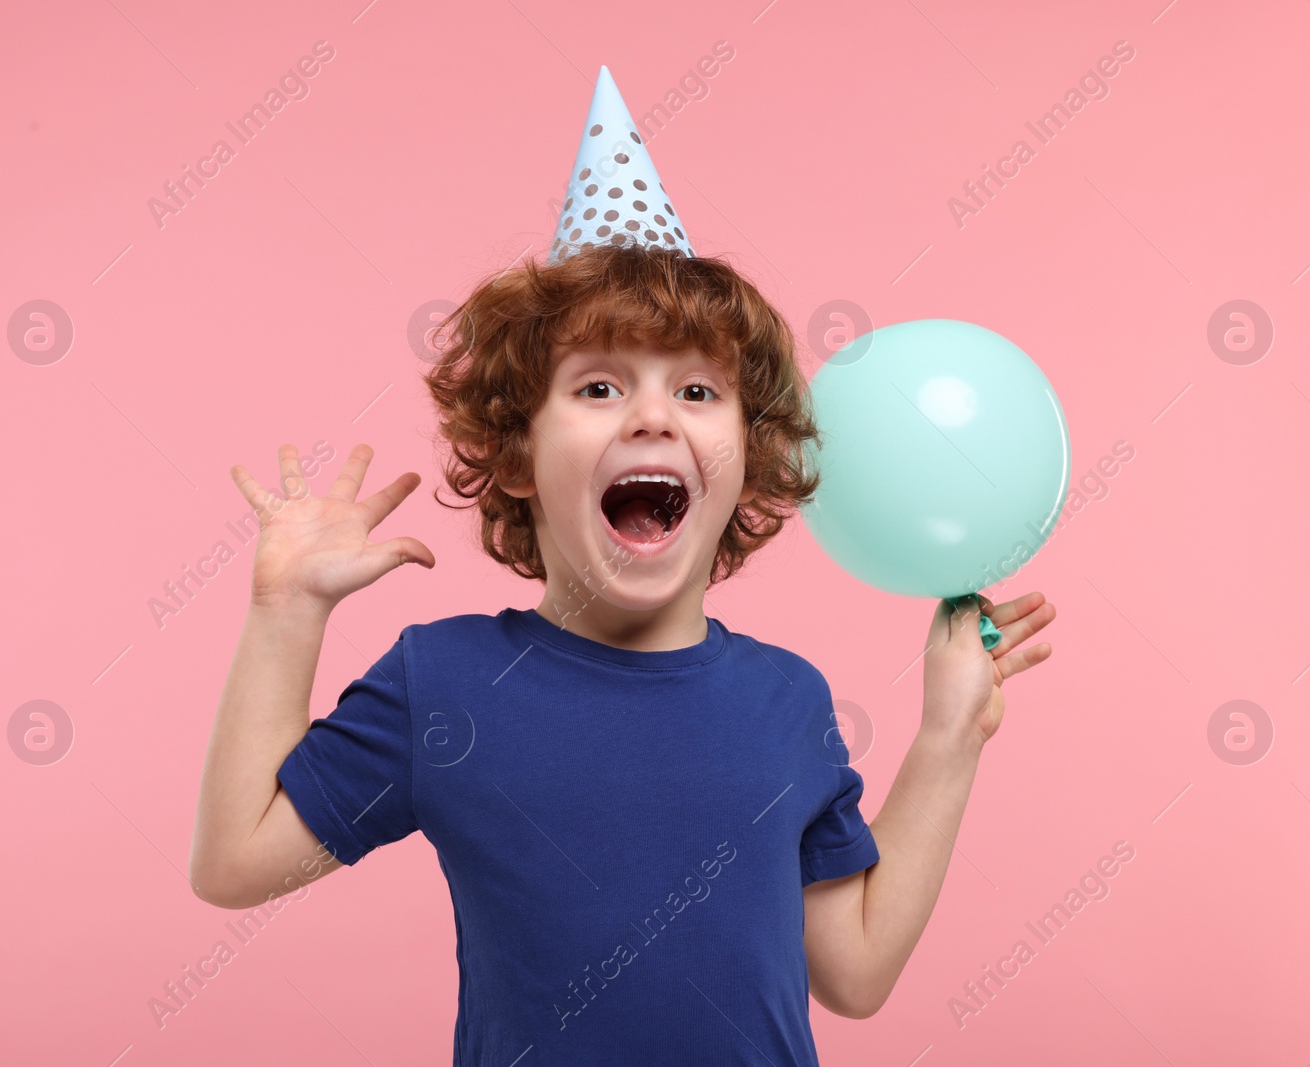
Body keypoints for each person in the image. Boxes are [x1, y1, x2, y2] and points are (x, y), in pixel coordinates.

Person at [189, 67, 1055, 1067]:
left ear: (751, 458)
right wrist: (287, 609)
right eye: (598, 385)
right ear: (516, 453)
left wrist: (949, 735)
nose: (651, 414)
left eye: (695, 388)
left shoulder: (787, 697)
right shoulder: (445, 681)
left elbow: (853, 971)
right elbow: (234, 862)